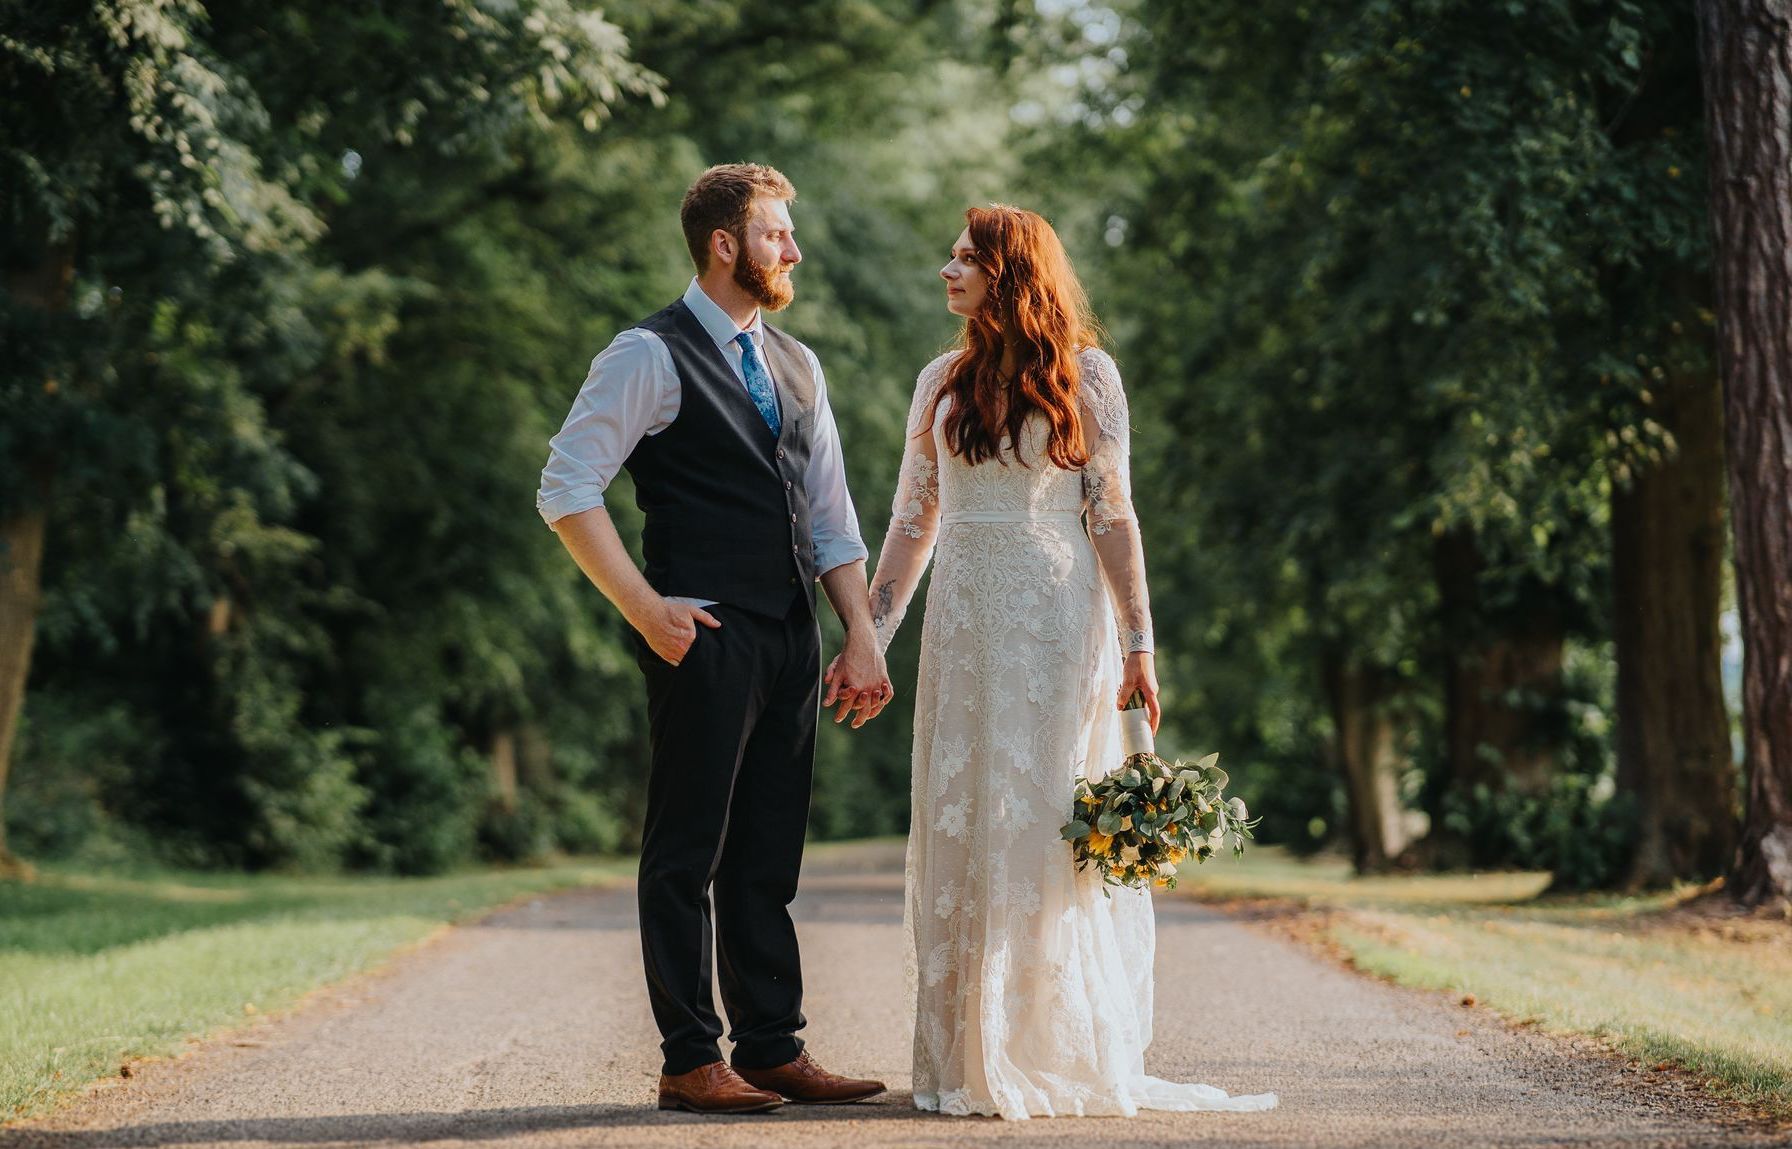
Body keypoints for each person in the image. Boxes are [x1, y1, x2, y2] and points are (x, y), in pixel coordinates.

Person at [861, 204, 1279, 1118]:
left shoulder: (1089, 378)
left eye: (967, 258)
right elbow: (910, 520)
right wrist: (869, 639)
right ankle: (965, 1055)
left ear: (1011, 273)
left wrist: (1140, 643)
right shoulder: (938, 380)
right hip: (963, 626)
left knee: (1047, 819)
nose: (947, 269)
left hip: (1058, 622)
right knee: (967, 813)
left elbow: (1114, 515)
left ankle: (1048, 1041)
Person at [537, 163, 891, 1115]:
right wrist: (648, 609)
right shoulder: (645, 354)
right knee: (687, 848)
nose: (795, 250)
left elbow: (833, 518)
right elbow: (566, 490)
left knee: (769, 850)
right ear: (725, 244)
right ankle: (690, 1057)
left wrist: (860, 632)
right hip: (700, 634)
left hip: (792, 634)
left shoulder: (798, 363)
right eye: (778, 233)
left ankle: (773, 1047)